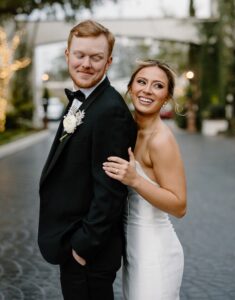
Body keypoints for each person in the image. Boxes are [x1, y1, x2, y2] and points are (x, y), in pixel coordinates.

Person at [38, 20, 137, 300]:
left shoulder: (110, 111)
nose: (86, 64)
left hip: (89, 252)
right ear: (68, 55)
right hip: (74, 240)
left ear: (108, 62)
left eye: (96, 57)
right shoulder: (86, 99)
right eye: (80, 55)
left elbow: (110, 191)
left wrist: (82, 247)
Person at [103, 59, 187, 300]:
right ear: (130, 88)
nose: (147, 90)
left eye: (158, 86)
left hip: (155, 253)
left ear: (167, 96)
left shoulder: (161, 140)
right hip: (133, 249)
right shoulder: (129, 130)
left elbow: (180, 206)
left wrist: (136, 180)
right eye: (141, 82)